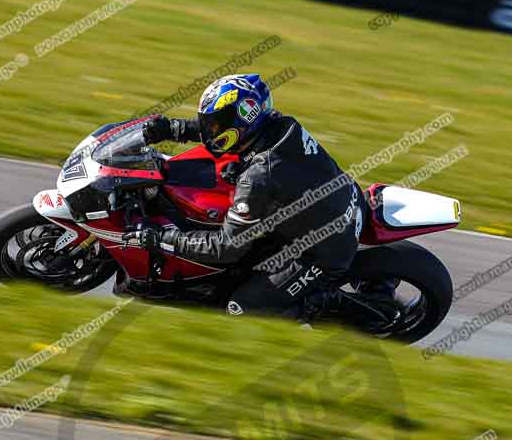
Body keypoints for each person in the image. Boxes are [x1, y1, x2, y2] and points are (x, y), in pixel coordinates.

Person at [131, 73, 371, 321]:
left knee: (241, 308)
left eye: (214, 124)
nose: (209, 130)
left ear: (242, 124)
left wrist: (164, 238)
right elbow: (223, 136)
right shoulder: (279, 125)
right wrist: (173, 128)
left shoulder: (258, 178)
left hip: (325, 251)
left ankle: (326, 302)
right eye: (209, 123)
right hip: (344, 200)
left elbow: (226, 247)